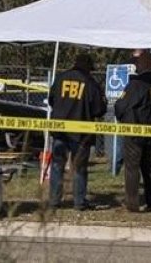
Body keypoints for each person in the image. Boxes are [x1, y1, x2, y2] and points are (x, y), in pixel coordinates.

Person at [48, 53, 107, 210]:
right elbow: (99, 110)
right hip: (81, 132)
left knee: (57, 165)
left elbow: (51, 99)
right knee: (79, 167)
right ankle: (79, 202)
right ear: (88, 67)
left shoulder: (61, 78)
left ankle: (54, 200)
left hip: (59, 129)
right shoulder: (90, 83)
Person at [114, 50, 151, 212]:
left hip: (135, 130)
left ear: (145, 63)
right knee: (149, 168)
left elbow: (121, 105)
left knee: (132, 167)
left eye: (137, 63)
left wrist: (122, 117)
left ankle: (132, 203)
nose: (135, 66)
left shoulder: (137, 84)